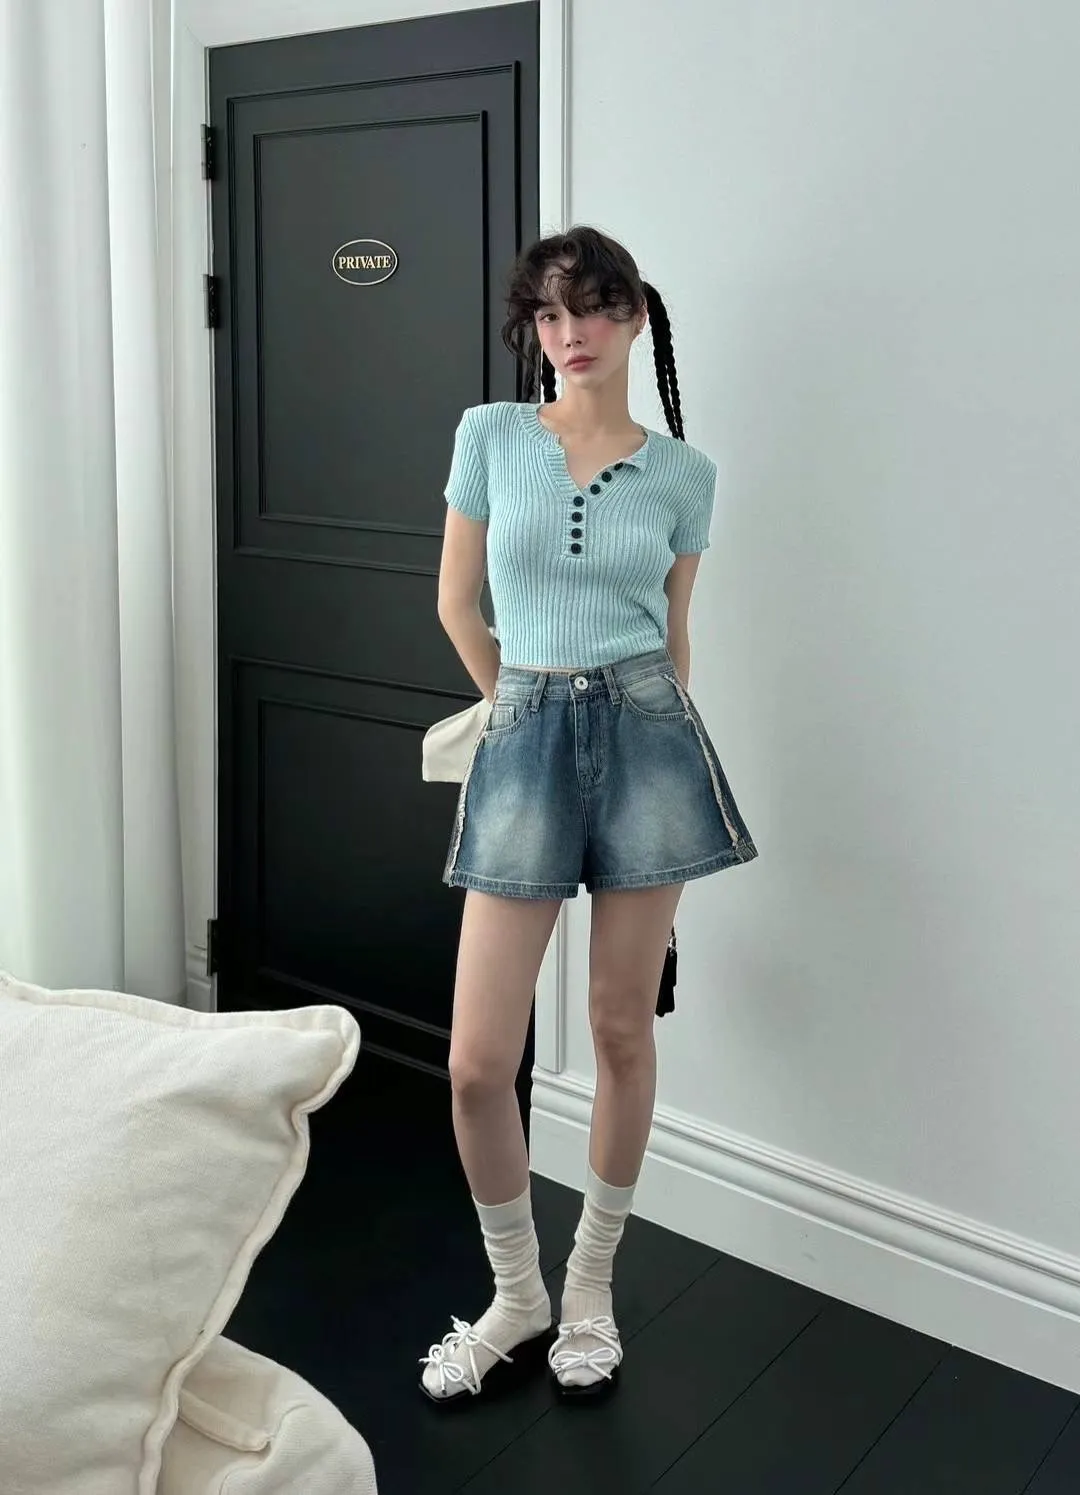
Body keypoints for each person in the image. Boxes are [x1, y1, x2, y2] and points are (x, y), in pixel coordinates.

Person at [420, 226, 758, 1407]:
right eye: (550, 315)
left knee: (621, 1025)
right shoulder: (490, 435)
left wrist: (659, 834)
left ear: (634, 317)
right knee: (477, 1063)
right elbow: (457, 603)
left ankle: (592, 1287)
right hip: (525, 729)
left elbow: (675, 639)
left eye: (593, 309)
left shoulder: (684, 475)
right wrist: (520, 715)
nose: (570, 335)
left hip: (649, 737)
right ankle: (517, 1294)